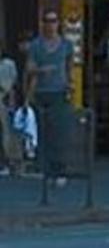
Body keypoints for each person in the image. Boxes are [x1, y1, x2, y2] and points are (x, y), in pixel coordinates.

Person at [25, 10, 74, 188]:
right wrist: (41, 70)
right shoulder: (36, 46)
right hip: (41, 92)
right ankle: (46, 171)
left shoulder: (66, 45)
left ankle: (60, 170)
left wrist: (70, 83)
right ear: (42, 24)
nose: (50, 24)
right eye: (47, 21)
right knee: (43, 133)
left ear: (58, 24)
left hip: (60, 92)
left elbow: (69, 66)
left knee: (59, 133)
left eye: (53, 21)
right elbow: (29, 68)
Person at [0, 49, 21, 176]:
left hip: (5, 98)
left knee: (8, 131)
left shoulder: (9, 64)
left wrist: (12, 99)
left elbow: (14, 83)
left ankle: (11, 161)